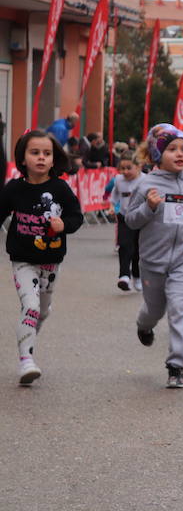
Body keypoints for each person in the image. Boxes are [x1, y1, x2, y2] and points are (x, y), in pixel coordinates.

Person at [125, 124, 183, 389]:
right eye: (172, 149)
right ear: (156, 152)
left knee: (179, 309)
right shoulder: (145, 184)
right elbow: (130, 220)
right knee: (154, 310)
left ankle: (176, 365)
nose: (180, 154)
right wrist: (150, 207)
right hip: (153, 261)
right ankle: (144, 325)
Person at [0, 130, 83, 385]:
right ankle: (26, 360)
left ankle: (30, 336)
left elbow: (76, 217)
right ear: (22, 159)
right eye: (34, 153)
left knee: (42, 311)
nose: (41, 158)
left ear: (53, 158)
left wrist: (63, 226)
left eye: (46, 153)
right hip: (22, 260)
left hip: (51, 261)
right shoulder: (14, 189)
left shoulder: (59, 188)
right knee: (31, 307)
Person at [110, 151, 144, 292]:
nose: (125, 171)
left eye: (129, 168)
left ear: (138, 166)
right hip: (124, 217)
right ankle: (124, 276)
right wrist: (112, 206)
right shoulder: (118, 180)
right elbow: (115, 195)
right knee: (124, 246)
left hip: (141, 219)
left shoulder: (145, 180)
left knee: (137, 250)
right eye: (122, 168)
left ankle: (137, 276)